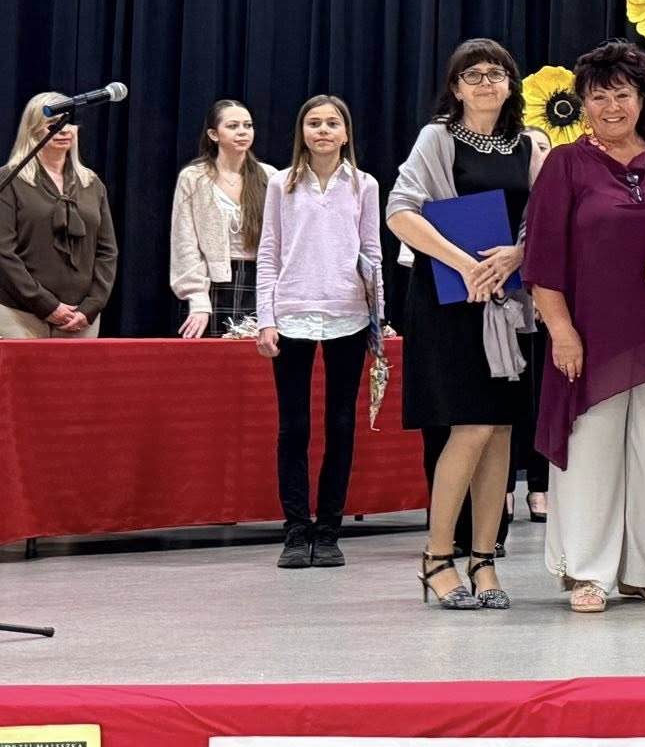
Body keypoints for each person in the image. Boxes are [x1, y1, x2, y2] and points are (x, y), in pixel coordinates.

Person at [526, 40, 645, 614]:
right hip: (589, 339)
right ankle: (588, 571)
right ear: (583, 105)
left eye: (622, 94)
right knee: (591, 454)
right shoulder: (565, 164)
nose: (612, 107)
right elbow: (542, 261)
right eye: (599, 97)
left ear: (643, 98)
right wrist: (562, 332)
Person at [388, 40, 550, 609]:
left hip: (508, 303)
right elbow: (400, 211)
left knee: (501, 430)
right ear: (456, 87)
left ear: (511, 85)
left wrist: (518, 254)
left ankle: (484, 560)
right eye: (473, 74)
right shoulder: (437, 138)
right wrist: (466, 263)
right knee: (472, 427)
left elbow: (543, 220)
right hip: (449, 302)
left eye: (496, 73)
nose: (486, 82)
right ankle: (437, 557)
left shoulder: (529, 145)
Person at [256, 95, 382, 571]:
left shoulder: (364, 185)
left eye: (332, 123)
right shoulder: (280, 184)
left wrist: (377, 318)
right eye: (314, 123)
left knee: (341, 425)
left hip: (348, 316)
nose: (323, 130)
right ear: (302, 132)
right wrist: (265, 318)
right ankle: (295, 530)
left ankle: (328, 530)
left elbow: (372, 254)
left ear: (346, 133)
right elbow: (269, 252)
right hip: (292, 314)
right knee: (293, 427)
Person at [0, 95, 118, 339]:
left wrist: (92, 306)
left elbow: (107, 252)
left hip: (80, 318)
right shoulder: (9, 179)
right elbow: (3, 252)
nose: (64, 130)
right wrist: (46, 305)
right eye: (53, 124)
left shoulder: (92, 183)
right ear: (32, 129)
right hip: (19, 314)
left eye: (69, 123)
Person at [170, 100, 275, 337]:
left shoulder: (270, 176)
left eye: (248, 125)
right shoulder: (194, 177)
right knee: (213, 357)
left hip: (260, 281)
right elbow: (184, 242)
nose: (242, 132)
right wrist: (197, 298)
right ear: (213, 134)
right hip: (211, 284)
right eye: (233, 126)